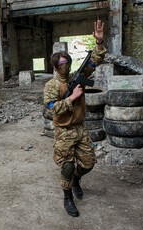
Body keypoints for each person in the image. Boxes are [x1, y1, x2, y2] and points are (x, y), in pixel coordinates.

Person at [43, 20, 107, 217]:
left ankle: (77, 179)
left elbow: (93, 61)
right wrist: (71, 98)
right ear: (55, 67)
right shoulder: (51, 86)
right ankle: (67, 196)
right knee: (68, 165)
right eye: (61, 64)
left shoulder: (76, 77)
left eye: (68, 62)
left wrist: (98, 43)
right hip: (64, 132)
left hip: (80, 128)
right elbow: (52, 107)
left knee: (88, 164)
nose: (65, 66)